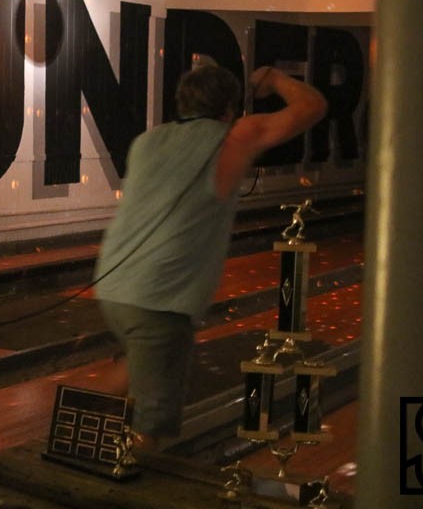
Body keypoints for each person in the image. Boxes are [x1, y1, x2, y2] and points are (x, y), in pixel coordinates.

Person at [93, 64, 327, 450]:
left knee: (138, 363)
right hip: (160, 297)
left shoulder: (148, 141)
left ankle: (68, 430)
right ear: (230, 109)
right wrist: (274, 79)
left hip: (114, 287)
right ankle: (121, 467)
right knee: (153, 423)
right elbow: (312, 106)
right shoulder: (236, 138)